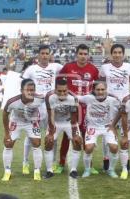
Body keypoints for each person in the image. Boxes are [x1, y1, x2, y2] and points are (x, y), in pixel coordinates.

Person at [57, 44, 99, 174]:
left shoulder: (93, 69)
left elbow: (98, 87)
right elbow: (59, 81)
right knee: (67, 136)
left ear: (88, 55)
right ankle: (61, 164)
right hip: (70, 108)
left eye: (85, 54)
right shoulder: (68, 67)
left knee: (88, 135)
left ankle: (89, 165)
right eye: (80, 53)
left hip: (87, 109)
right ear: (76, 54)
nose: (83, 56)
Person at [21, 45, 63, 175]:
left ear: (50, 55)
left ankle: (53, 162)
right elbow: (22, 84)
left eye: (47, 53)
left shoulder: (56, 67)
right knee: (31, 135)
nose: (44, 56)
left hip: (50, 107)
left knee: (52, 136)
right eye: (42, 53)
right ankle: (25, 163)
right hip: (35, 106)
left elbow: (67, 75)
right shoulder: (31, 69)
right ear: (38, 55)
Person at [99, 43, 130, 171]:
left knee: (126, 132)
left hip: (126, 103)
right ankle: (106, 158)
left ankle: (127, 160)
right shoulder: (104, 68)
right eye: (115, 52)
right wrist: (107, 95)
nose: (117, 55)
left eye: (120, 52)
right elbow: (100, 85)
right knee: (108, 130)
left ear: (123, 54)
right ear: (111, 54)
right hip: (109, 103)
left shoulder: (129, 67)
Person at [1, 79, 44, 181]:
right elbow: (5, 114)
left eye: (32, 90)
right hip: (16, 122)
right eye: (27, 90)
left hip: (31, 122)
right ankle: (7, 171)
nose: (30, 92)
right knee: (8, 143)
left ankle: (37, 171)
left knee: (36, 143)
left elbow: (52, 97)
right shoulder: (12, 101)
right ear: (21, 90)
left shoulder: (40, 98)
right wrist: (6, 133)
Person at [78, 82, 120, 178]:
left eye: (102, 89)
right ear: (93, 90)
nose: (100, 92)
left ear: (106, 90)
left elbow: (123, 109)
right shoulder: (88, 98)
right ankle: (87, 169)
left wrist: (114, 124)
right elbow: (75, 98)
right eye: (98, 89)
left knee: (114, 147)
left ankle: (111, 170)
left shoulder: (112, 100)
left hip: (107, 127)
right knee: (88, 148)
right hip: (92, 127)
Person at [44, 78, 82, 179]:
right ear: (55, 90)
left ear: (68, 89)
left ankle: (74, 170)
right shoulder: (49, 96)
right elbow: (50, 115)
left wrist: (74, 134)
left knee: (77, 141)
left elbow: (74, 118)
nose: (62, 93)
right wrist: (51, 133)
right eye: (59, 91)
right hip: (55, 122)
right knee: (48, 141)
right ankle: (49, 170)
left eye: (64, 90)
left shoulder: (73, 98)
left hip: (69, 122)